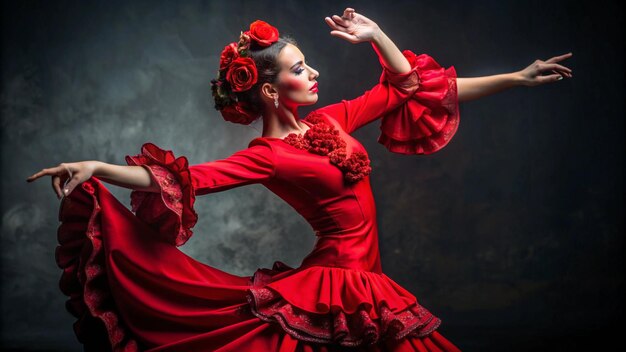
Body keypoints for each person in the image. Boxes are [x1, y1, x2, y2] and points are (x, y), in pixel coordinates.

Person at [26, 8, 573, 352]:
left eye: (308, 63)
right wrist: (97, 168)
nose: (313, 73)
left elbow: (407, 87)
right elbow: (180, 178)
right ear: (268, 90)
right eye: (298, 68)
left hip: (364, 278)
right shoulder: (266, 156)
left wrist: (515, 78)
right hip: (341, 283)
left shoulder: (331, 119)